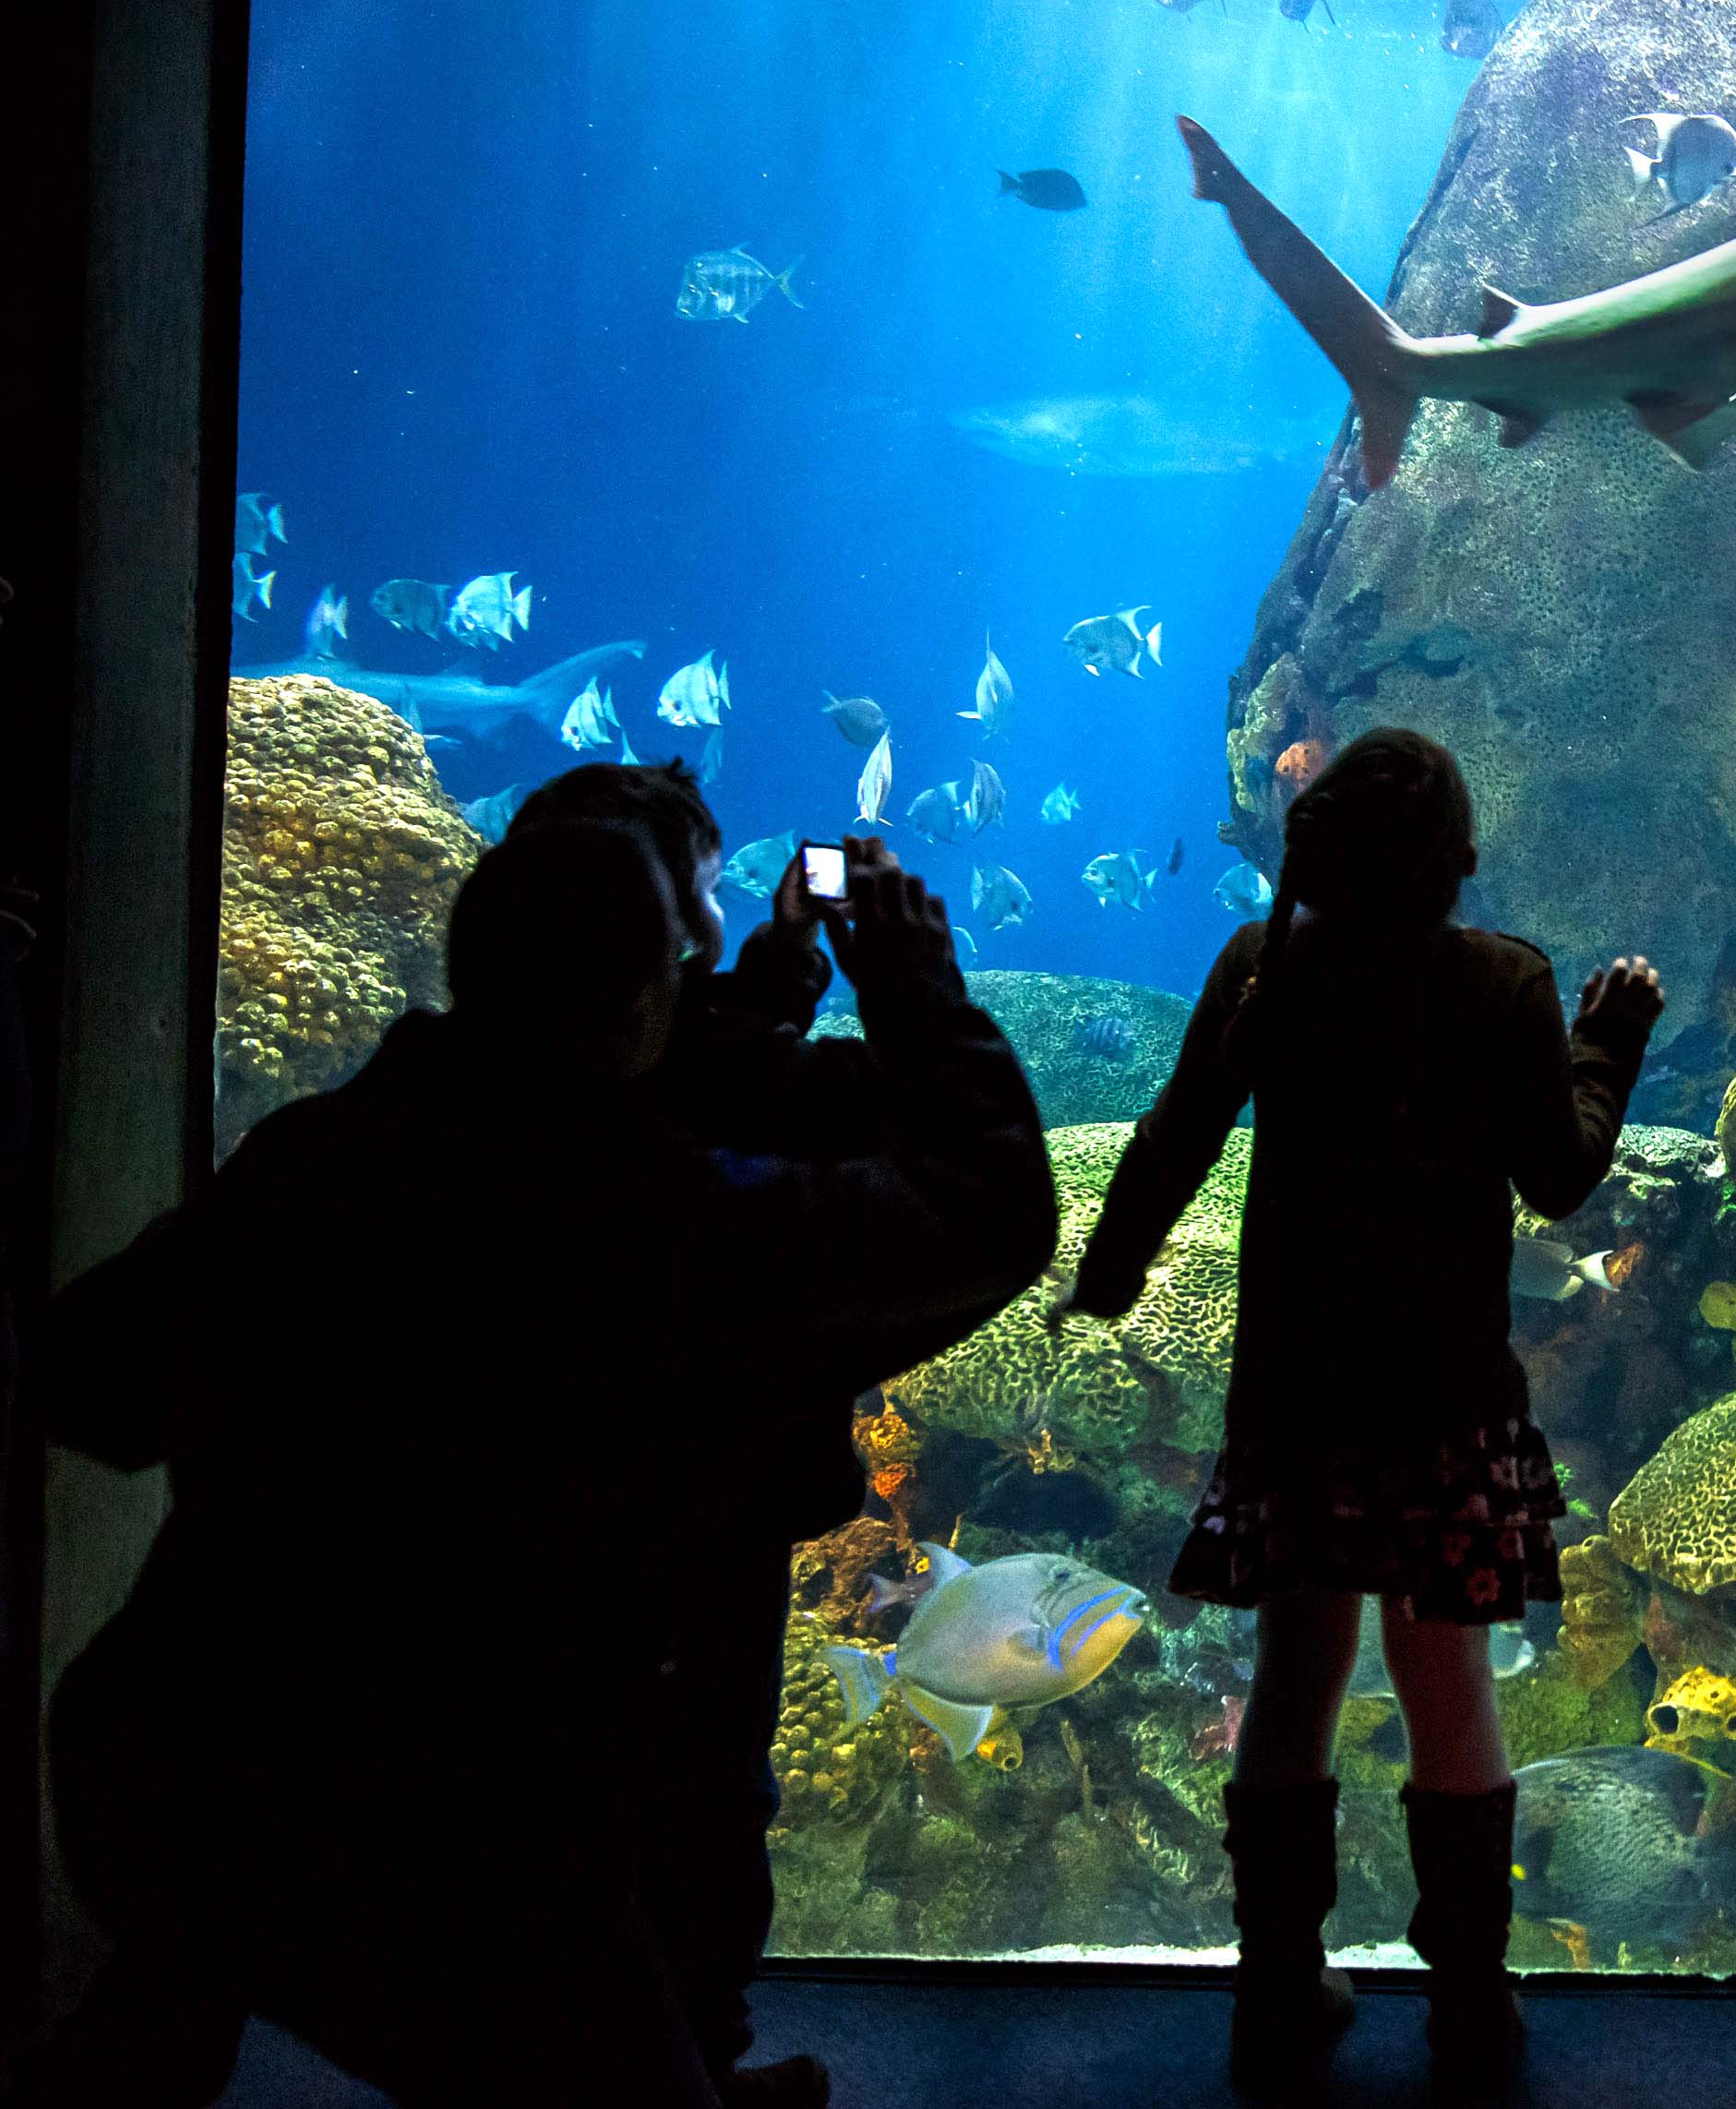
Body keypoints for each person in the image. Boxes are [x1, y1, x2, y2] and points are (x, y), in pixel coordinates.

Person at [25, 821, 1055, 2108]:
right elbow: (993, 1210)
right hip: (451, 1834)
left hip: (171, 1758)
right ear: (644, 1006)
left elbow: (88, 1379)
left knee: (166, 1999)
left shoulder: (318, 1161)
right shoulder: (660, 1226)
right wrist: (913, 982)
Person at [1064, 727, 1660, 2100]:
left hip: (1297, 1391)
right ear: (1460, 862)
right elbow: (1561, 1179)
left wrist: (1109, 1269)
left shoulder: (1267, 960)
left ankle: (1276, 1980)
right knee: (1447, 1682)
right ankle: (1468, 2001)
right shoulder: (1503, 978)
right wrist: (1609, 1040)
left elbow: (1179, 1130)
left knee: (1298, 1671)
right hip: (1443, 1397)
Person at [508, 766, 917, 2109]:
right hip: (713, 1507)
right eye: (695, 882)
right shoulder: (716, 1092)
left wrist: (787, 953)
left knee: (577, 1803)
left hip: (533, 1513)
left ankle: (634, 2057)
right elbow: (980, 1191)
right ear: (653, 931)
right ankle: (684, 2060)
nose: (708, 906)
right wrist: (912, 984)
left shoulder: (484, 1089)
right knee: (695, 1801)